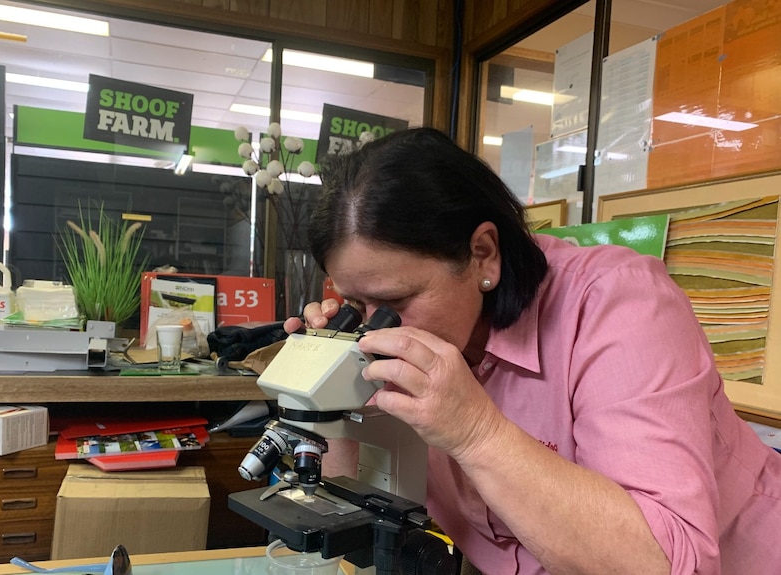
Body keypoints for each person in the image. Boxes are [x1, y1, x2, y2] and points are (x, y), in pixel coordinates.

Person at [283, 127, 781, 575]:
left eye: (394, 302)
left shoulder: (617, 303)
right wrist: (328, 403)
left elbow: (666, 564)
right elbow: (352, 509)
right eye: (354, 304)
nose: (374, 327)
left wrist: (476, 433)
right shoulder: (396, 344)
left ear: (483, 253)